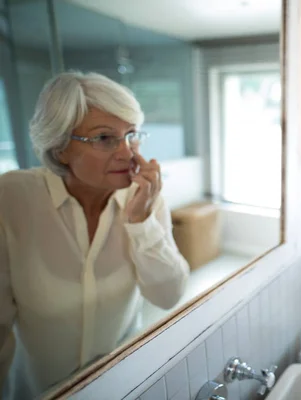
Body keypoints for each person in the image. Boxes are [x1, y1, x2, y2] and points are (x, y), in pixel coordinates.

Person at [0, 72, 190, 399]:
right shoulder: (12, 200)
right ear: (60, 148)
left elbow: (169, 295)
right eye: (104, 138)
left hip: (122, 384)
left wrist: (142, 221)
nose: (128, 153)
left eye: (132, 135)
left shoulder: (144, 198)